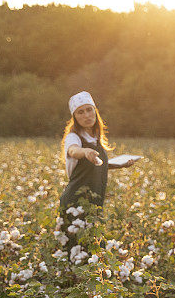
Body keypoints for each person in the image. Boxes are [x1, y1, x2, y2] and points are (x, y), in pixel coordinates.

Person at [58, 91, 137, 221]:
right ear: (75, 117)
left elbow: (94, 165)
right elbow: (73, 151)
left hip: (94, 201)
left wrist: (119, 164)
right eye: (80, 112)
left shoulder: (95, 138)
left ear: (95, 111)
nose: (87, 115)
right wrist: (84, 152)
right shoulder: (73, 137)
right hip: (76, 203)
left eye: (89, 110)